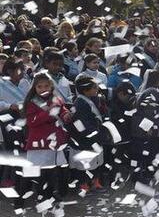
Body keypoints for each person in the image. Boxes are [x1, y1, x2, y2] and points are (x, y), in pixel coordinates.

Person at [23, 72, 72, 203]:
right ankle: (41, 195)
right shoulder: (32, 102)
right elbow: (31, 122)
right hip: (40, 143)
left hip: (55, 141)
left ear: (51, 87)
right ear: (34, 87)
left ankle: (52, 193)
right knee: (41, 172)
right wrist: (47, 112)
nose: (43, 89)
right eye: (40, 86)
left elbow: (62, 109)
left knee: (54, 170)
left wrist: (66, 115)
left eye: (46, 86)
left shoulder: (56, 99)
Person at [69, 75, 106, 191]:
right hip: (85, 138)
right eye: (94, 88)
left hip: (94, 136)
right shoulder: (79, 103)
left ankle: (95, 182)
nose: (97, 90)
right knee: (84, 164)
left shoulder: (91, 99)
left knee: (95, 162)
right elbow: (80, 122)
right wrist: (90, 133)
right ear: (85, 90)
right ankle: (84, 184)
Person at [0, 59, 31, 188]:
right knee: (13, 148)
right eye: (20, 71)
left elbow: (32, 97)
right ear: (9, 71)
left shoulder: (24, 82)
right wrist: (9, 105)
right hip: (8, 118)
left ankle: (27, 179)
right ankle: (10, 179)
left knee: (27, 147)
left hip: (26, 117)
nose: (23, 73)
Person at [130, 70, 159, 184]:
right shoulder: (152, 92)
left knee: (141, 153)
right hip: (145, 130)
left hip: (139, 129)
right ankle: (141, 176)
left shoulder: (143, 89)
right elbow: (149, 112)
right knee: (145, 153)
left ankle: (143, 174)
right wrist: (148, 128)